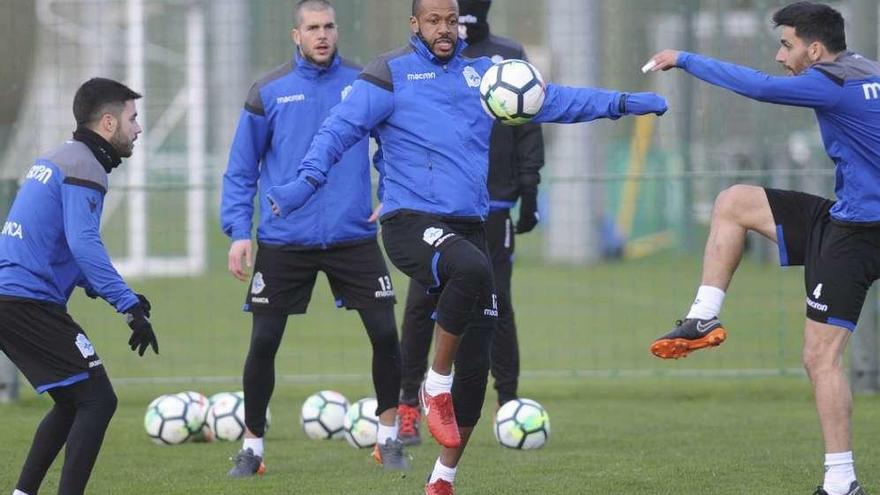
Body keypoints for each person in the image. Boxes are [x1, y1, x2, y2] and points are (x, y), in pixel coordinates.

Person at [268, 0, 666, 492]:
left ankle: (442, 478)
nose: (444, 29)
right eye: (433, 20)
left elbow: (557, 100)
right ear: (415, 24)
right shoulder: (389, 73)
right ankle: (434, 385)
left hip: (469, 225)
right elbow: (337, 131)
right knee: (473, 269)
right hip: (410, 221)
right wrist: (300, 186)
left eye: (450, 20)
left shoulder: (486, 78)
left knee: (476, 371)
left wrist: (623, 103)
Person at [644, 2, 876, 494]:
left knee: (820, 358)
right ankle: (703, 315)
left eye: (786, 45)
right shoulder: (867, 69)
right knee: (735, 203)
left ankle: (840, 483)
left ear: (815, 49)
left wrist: (685, 58)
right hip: (847, 217)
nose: (779, 55)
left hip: (861, 233)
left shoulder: (829, 81)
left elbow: (759, 88)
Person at [220, 0, 409, 477]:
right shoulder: (269, 91)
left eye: (329, 27)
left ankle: (388, 440)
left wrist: (390, 191)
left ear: (337, 31)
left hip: (353, 235)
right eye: (312, 28)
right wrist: (239, 232)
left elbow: (393, 144)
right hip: (286, 240)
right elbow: (241, 172)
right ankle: (253, 449)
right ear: (295, 35)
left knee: (386, 334)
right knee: (264, 343)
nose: (322, 35)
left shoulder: (364, 83)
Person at [395, 0, 546, 447]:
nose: (452, 24)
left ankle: (509, 402)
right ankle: (409, 404)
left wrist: (529, 186)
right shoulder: (421, 66)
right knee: (422, 303)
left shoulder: (506, 54)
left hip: (494, 203)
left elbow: (529, 120)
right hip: (435, 210)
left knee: (497, 301)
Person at [0, 77, 158, 495]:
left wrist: (120, 298)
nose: (138, 129)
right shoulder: (85, 165)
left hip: (13, 298)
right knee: (97, 400)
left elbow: (62, 246)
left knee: (73, 400)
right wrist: (127, 304)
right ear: (108, 123)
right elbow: (84, 244)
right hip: (26, 300)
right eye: (133, 119)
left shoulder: (60, 158)